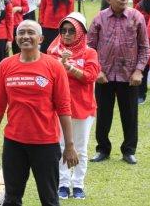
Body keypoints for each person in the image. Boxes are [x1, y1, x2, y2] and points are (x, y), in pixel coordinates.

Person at [0, 20, 79, 206]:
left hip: (45, 144)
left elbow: (64, 108)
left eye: (30, 32)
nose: (25, 36)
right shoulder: (5, 65)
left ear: (41, 39)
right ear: (15, 38)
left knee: (49, 200)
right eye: (21, 33)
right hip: (14, 143)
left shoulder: (54, 67)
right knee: (12, 199)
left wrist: (69, 145)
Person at [87, 0, 148, 165]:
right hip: (103, 76)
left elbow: (145, 47)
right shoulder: (99, 18)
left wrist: (138, 71)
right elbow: (89, 47)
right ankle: (103, 149)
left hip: (129, 76)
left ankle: (129, 151)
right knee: (103, 115)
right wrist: (96, 70)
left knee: (130, 115)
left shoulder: (136, 17)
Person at [46, 12, 99, 200]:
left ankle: (78, 185)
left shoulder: (90, 53)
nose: (66, 34)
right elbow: (48, 75)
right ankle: (62, 184)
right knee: (61, 146)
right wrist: (61, 63)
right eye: (63, 30)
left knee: (81, 148)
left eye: (71, 31)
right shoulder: (53, 52)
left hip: (83, 107)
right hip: (60, 108)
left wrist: (70, 68)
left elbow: (90, 77)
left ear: (80, 32)